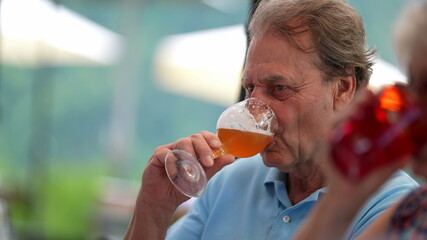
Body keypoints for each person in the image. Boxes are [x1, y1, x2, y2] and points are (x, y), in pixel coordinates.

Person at [124, 0, 419, 239]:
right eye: (250, 88)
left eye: (279, 88)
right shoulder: (230, 181)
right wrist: (154, 210)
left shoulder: (392, 207)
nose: (254, 107)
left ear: (343, 88)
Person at [293, 0, 427, 239]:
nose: (411, 109)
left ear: (344, 87)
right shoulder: (417, 212)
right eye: (412, 87)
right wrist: (343, 195)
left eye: (280, 87)